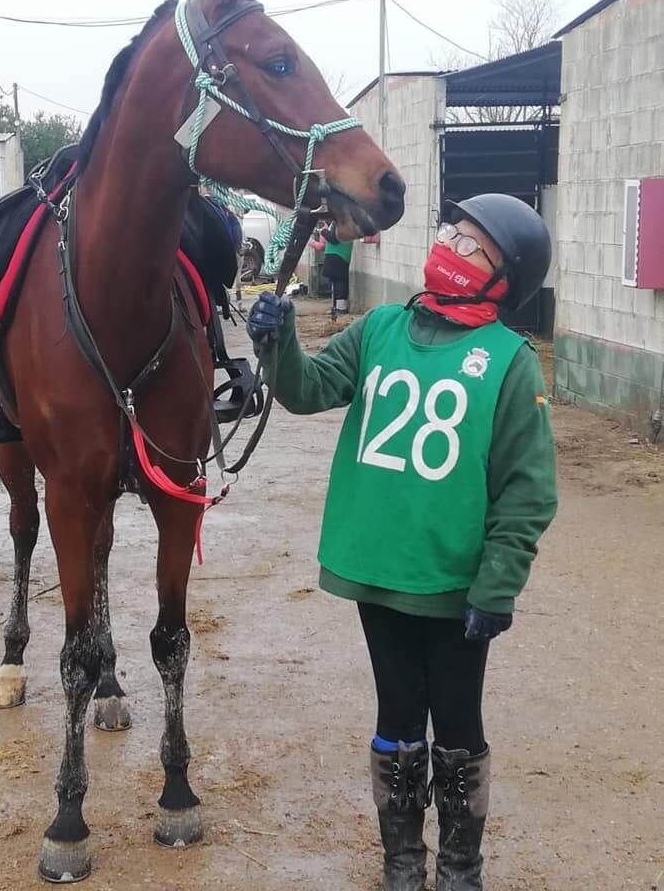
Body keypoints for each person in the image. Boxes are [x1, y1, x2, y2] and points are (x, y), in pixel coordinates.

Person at [247, 194, 558, 891]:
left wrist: (497, 584)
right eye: (451, 232)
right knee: (394, 717)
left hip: (453, 582)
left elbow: (527, 491)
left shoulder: (509, 362)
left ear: (504, 278)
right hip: (377, 569)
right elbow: (307, 389)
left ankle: (458, 864)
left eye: (472, 244)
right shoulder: (380, 327)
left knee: (455, 722)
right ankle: (402, 862)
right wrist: (275, 344)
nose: (450, 246)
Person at [310, 219, 353, 316]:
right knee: (335, 282)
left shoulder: (343, 222)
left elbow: (334, 238)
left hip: (339, 255)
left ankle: (341, 308)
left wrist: (323, 232)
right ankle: (335, 307)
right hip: (335, 254)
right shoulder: (336, 222)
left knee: (340, 282)